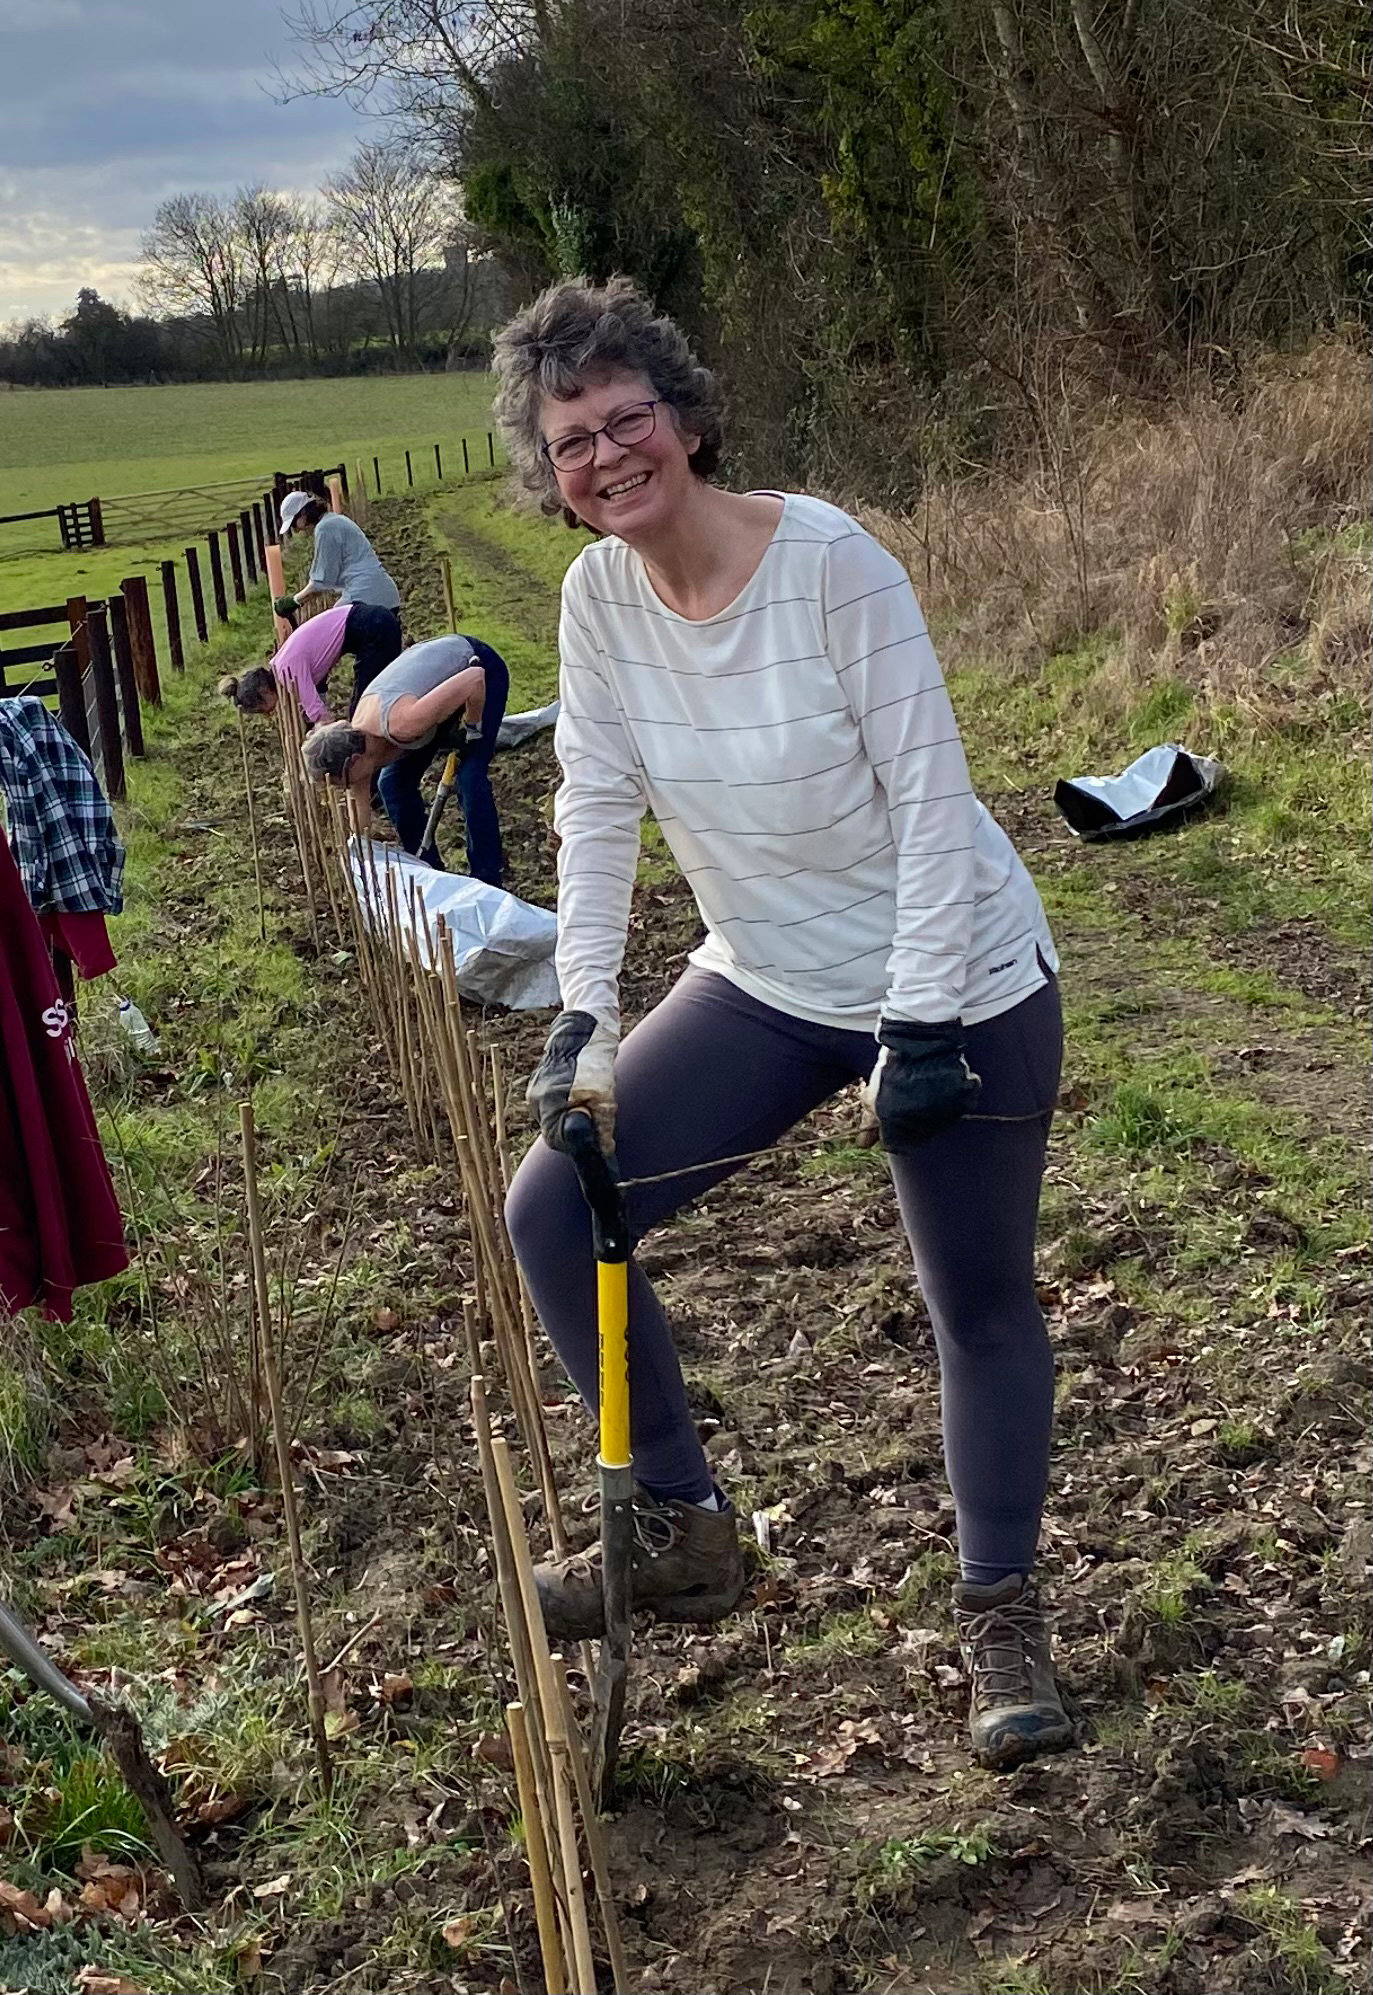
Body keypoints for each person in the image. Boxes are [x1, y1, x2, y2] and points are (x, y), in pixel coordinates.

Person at [494, 277, 1071, 1772]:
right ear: (550, 475)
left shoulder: (829, 566)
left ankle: (1002, 1611)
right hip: (766, 974)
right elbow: (597, 806)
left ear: (683, 418)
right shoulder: (595, 601)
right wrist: (584, 1011)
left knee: (977, 1299)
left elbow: (937, 804)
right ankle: (679, 1524)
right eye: (573, 441)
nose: (608, 455)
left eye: (629, 420)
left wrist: (926, 1022)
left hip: (957, 976)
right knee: (557, 1208)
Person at [300, 633, 509, 886]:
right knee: (391, 784)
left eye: (339, 783)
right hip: (434, 693)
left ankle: (487, 877)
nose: (343, 789)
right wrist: (354, 856)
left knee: (469, 777)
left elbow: (474, 679)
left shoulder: (403, 724)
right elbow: (360, 819)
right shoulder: (356, 745)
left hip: (476, 668)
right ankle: (429, 870)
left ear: (352, 762)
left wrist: (472, 728)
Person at [217, 602, 404, 722]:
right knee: (368, 700)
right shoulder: (279, 664)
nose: (269, 713)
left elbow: (319, 714)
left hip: (373, 628)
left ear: (264, 692)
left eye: (263, 709)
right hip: (369, 622)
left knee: (363, 710)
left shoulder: (287, 672)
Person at [274, 490, 401, 617]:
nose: (296, 530)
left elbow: (321, 581)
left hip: (364, 597)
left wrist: (294, 601)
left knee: (330, 628)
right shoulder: (335, 520)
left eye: (294, 524)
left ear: (303, 513)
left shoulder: (325, 528)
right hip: (387, 596)